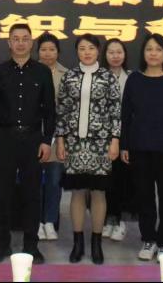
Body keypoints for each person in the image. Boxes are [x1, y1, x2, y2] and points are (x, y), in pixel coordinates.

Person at [0, 24, 57, 265]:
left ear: (31, 42)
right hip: (4, 139)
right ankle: (2, 243)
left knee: (32, 194)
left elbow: (50, 111)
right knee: (2, 194)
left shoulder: (42, 72)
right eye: (16, 38)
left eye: (25, 38)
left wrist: (46, 141)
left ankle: (31, 245)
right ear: (9, 42)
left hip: (33, 140)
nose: (21, 43)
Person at [120, 34, 163, 262]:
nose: (153, 53)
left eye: (158, 49)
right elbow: (126, 115)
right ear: (143, 53)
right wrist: (125, 144)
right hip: (139, 147)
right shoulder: (135, 79)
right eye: (149, 49)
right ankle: (148, 239)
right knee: (144, 196)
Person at [55, 34, 121, 265]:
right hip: (74, 143)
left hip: (100, 143)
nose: (87, 52)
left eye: (91, 48)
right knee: (77, 191)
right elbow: (62, 110)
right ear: (77, 52)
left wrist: (115, 140)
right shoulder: (69, 76)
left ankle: (96, 243)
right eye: (82, 48)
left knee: (99, 193)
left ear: (98, 51)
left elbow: (115, 111)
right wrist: (60, 140)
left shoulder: (108, 77)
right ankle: (78, 243)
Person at [102, 38, 133, 243]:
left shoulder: (132, 78)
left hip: (126, 137)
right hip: (102, 138)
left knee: (124, 181)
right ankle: (108, 219)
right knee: (106, 182)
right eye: (111, 52)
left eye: (119, 52)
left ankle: (121, 221)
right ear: (105, 55)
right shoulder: (99, 77)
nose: (115, 56)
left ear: (125, 55)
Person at [37, 32, 68, 242]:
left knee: (54, 182)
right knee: (34, 182)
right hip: (33, 135)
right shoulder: (30, 71)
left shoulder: (66, 74)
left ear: (58, 51)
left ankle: (50, 221)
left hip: (58, 138)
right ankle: (36, 221)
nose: (47, 53)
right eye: (43, 49)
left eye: (52, 49)